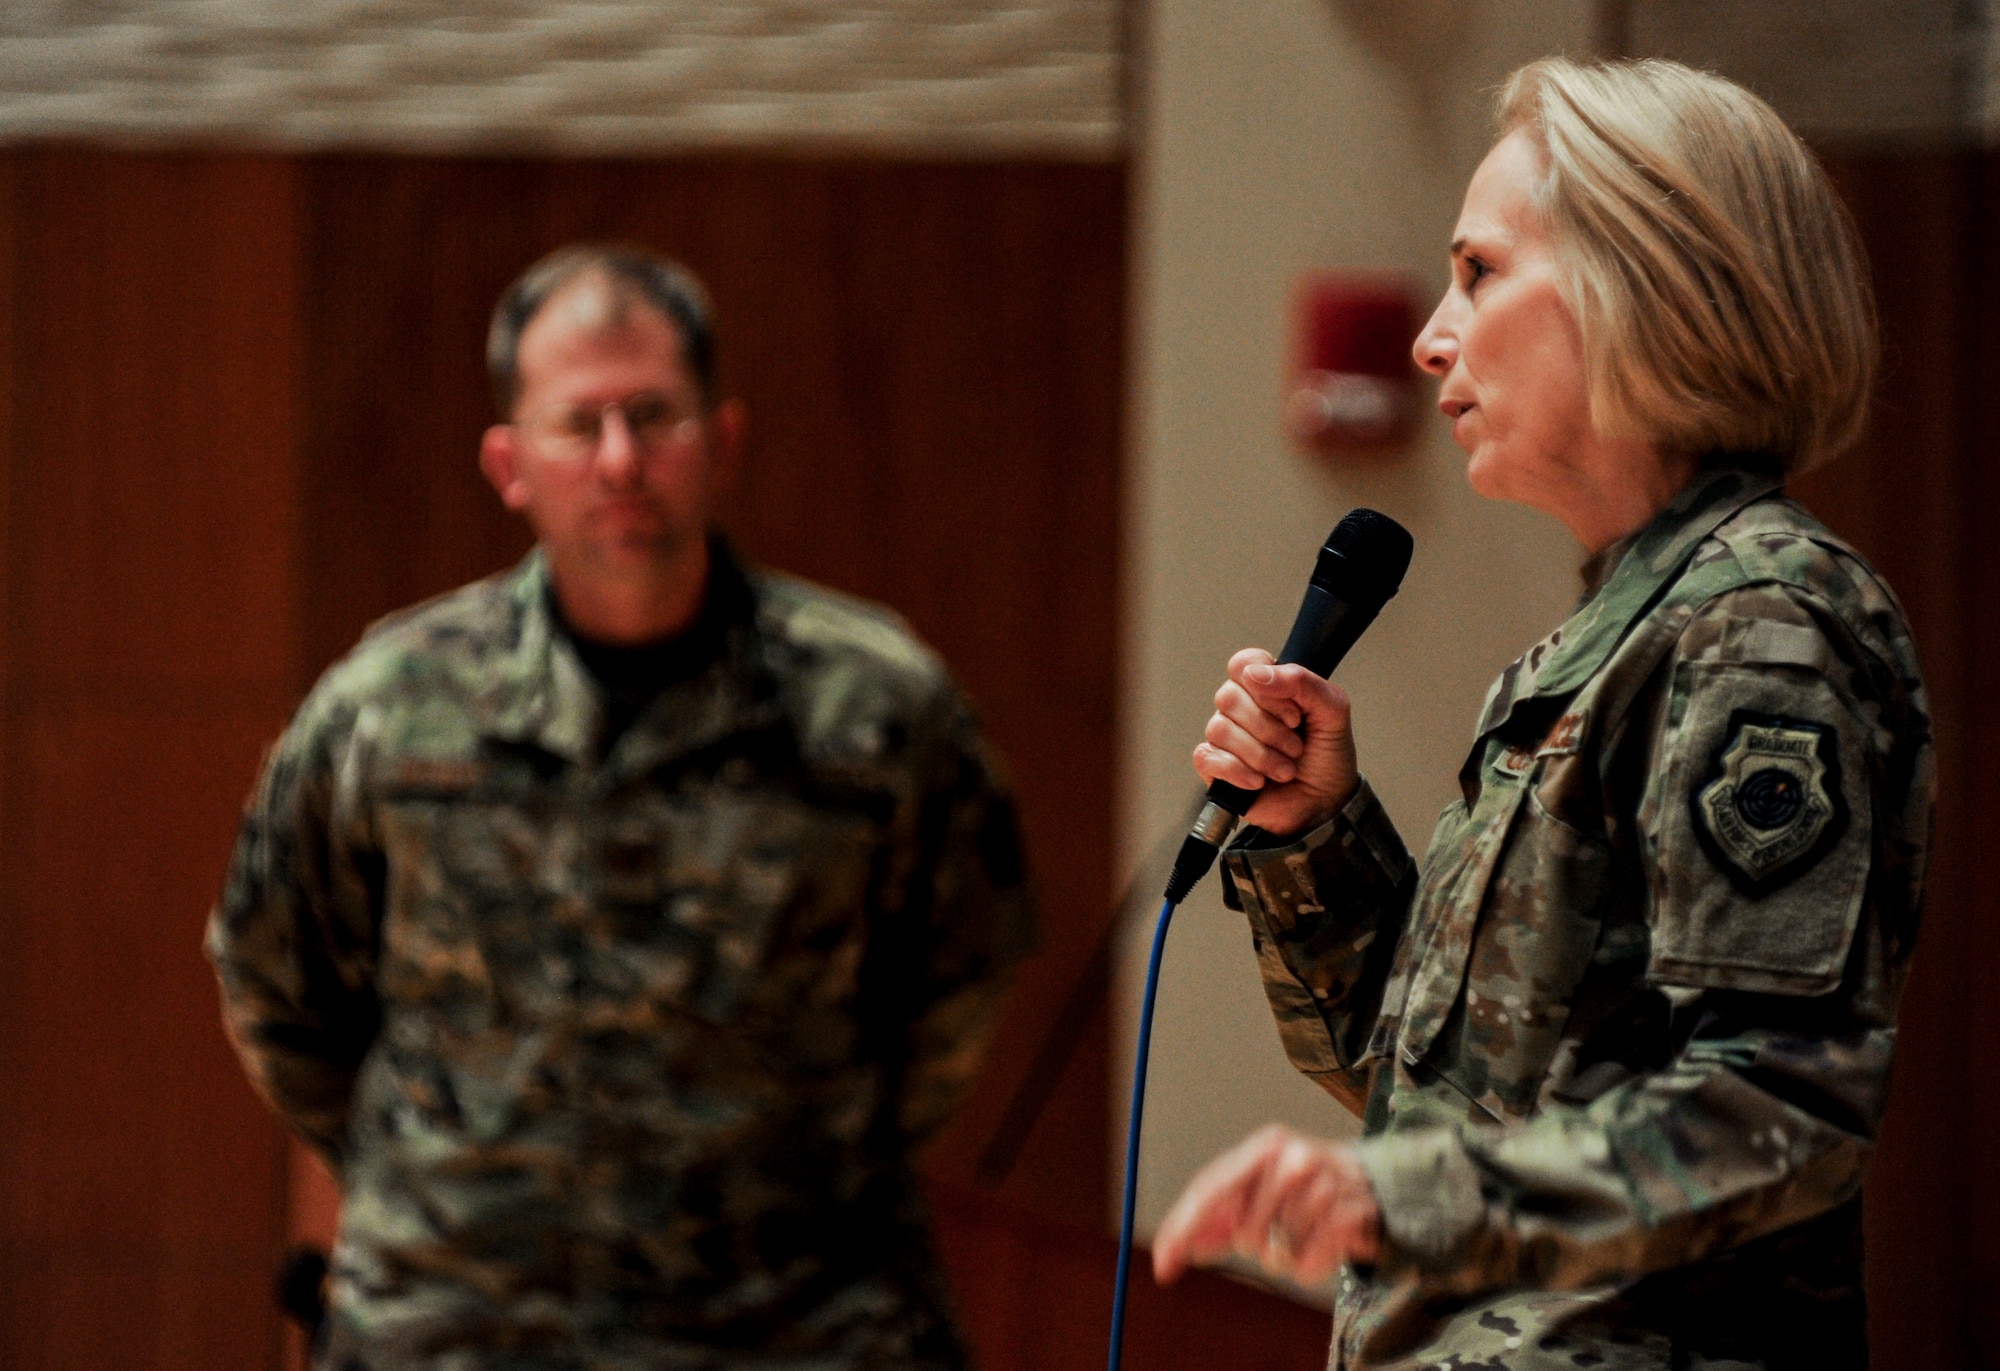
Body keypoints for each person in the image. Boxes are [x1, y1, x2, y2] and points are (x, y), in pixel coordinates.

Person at [1149, 58, 1930, 1371]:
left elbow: (1776, 1103)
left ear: (1647, 284)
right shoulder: (1614, 634)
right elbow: (1453, 1092)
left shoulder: (1764, 626)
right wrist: (1314, 834)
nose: (1430, 334)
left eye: (1481, 272)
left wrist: (1414, 1199)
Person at [206, 245, 1036, 1370]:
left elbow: (958, 975)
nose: (619, 462)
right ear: (507, 462)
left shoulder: (873, 709)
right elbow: (278, 980)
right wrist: (456, 1179)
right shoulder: (389, 709)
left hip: (797, 1328)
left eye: (654, 417)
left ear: (723, 442)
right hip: (460, 1329)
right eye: (577, 424)